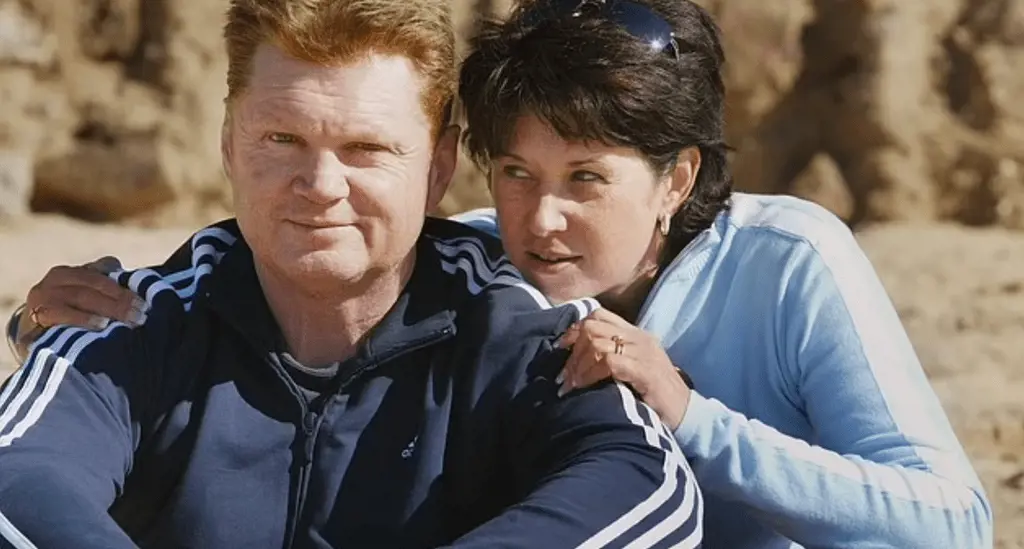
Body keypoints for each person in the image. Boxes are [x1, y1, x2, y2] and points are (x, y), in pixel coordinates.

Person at [6, 0, 994, 548]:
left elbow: (952, 525)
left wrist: (694, 418)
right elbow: (288, 255)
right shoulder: (483, 258)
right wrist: (58, 330)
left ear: (675, 178)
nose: (540, 215)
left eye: (586, 179)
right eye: (515, 172)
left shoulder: (784, 261)